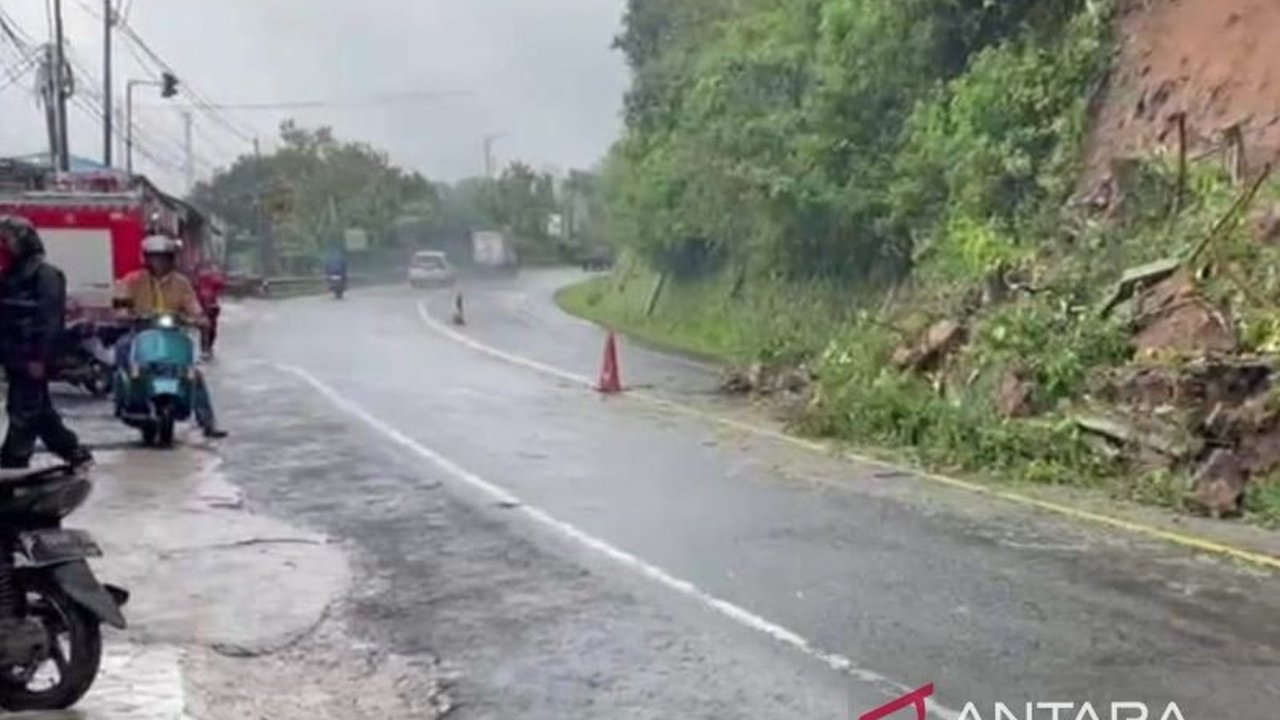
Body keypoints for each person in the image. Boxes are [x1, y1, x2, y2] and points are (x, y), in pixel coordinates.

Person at [0, 216, 94, 469]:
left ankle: (12, 463)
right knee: (39, 411)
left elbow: (49, 321)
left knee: (25, 412)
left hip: (33, 357)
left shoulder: (46, 275)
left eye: (6, 241)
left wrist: (40, 358)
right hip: (12, 357)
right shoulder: (8, 276)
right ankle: (74, 452)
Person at [114, 236, 227, 438]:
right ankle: (123, 401)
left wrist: (200, 319)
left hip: (173, 335)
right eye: (155, 257)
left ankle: (208, 423)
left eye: (164, 257)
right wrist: (125, 314)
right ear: (147, 259)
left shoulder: (181, 283)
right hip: (141, 333)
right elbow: (120, 304)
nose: (159, 262)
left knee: (193, 375)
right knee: (122, 351)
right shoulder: (133, 280)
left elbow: (193, 307)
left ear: (171, 259)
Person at [194, 260, 227, 359]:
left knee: (211, 328)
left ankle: (208, 348)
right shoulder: (197, 280)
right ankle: (205, 348)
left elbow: (221, 284)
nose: (205, 272)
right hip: (200, 306)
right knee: (204, 328)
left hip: (211, 306)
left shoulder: (213, 279)